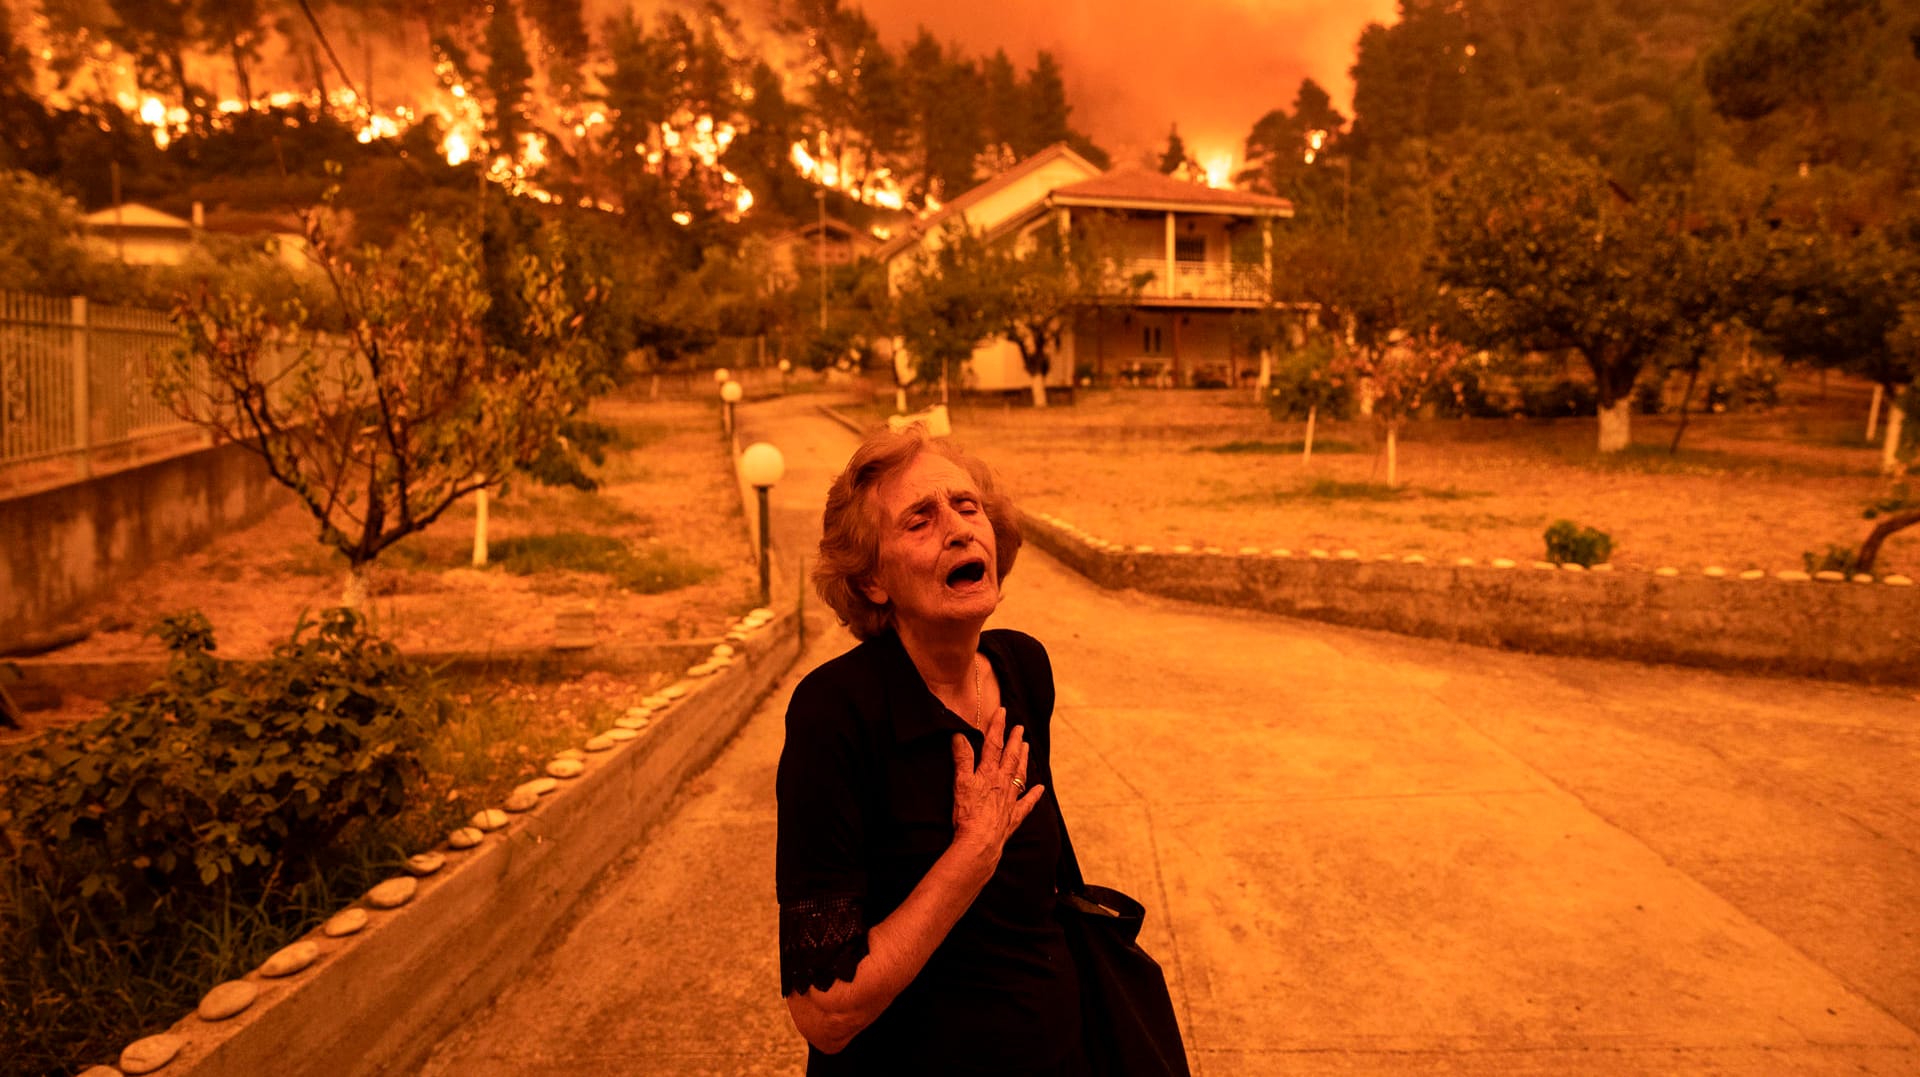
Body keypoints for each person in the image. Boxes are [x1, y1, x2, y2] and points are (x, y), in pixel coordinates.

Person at [776, 424, 1086, 1075]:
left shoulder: (1024, 668)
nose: (959, 528)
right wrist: (971, 853)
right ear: (871, 581)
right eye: (920, 520)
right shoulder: (835, 714)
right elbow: (824, 1011)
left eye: (968, 507)